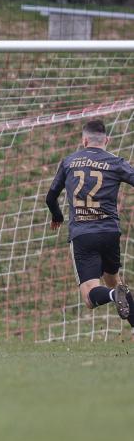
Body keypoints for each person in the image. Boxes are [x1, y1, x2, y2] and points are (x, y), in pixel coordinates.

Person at [46, 120, 133, 327]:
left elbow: (50, 198)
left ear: (84, 140)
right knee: (114, 280)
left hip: (83, 234)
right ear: (107, 140)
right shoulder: (116, 162)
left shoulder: (69, 162)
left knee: (89, 296)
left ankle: (112, 295)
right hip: (110, 233)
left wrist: (57, 216)